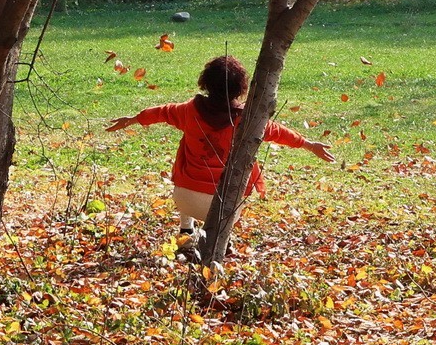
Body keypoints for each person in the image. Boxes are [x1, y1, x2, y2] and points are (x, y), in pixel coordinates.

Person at [106, 54, 334, 253]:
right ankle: (222, 236)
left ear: (205, 83)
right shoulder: (248, 119)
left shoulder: (189, 111)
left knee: (187, 160)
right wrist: (308, 144)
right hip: (226, 208)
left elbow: (161, 112)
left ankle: (186, 230)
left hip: (185, 200)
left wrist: (132, 120)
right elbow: (278, 132)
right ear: (241, 88)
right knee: (239, 176)